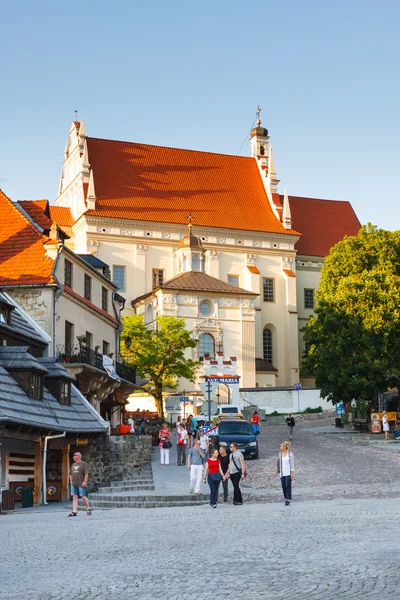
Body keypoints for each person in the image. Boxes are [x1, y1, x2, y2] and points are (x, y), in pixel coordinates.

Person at [68, 452, 91, 516]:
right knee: (74, 497)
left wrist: (85, 481)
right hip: (74, 483)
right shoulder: (73, 464)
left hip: (81, 483)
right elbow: (70, 474)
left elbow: (86, 473)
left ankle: (88, 509)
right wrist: (71, 481)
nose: (73, 457)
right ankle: (74, 511)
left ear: (78, 456)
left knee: (83, 496)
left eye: (74, 456)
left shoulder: (83, 464)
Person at [274, 441, 295, 506]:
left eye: (281, 446)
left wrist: (292, 472)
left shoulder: (290, 454)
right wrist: (276, 471)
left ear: (285, 447)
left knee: (287, 485)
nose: (280, 447)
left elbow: (292, 464)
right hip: (282, 473)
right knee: (283, 486)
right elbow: (278, 463)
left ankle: (288, 499)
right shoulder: (280, 454)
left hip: (288, 473)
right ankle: (285, 498)